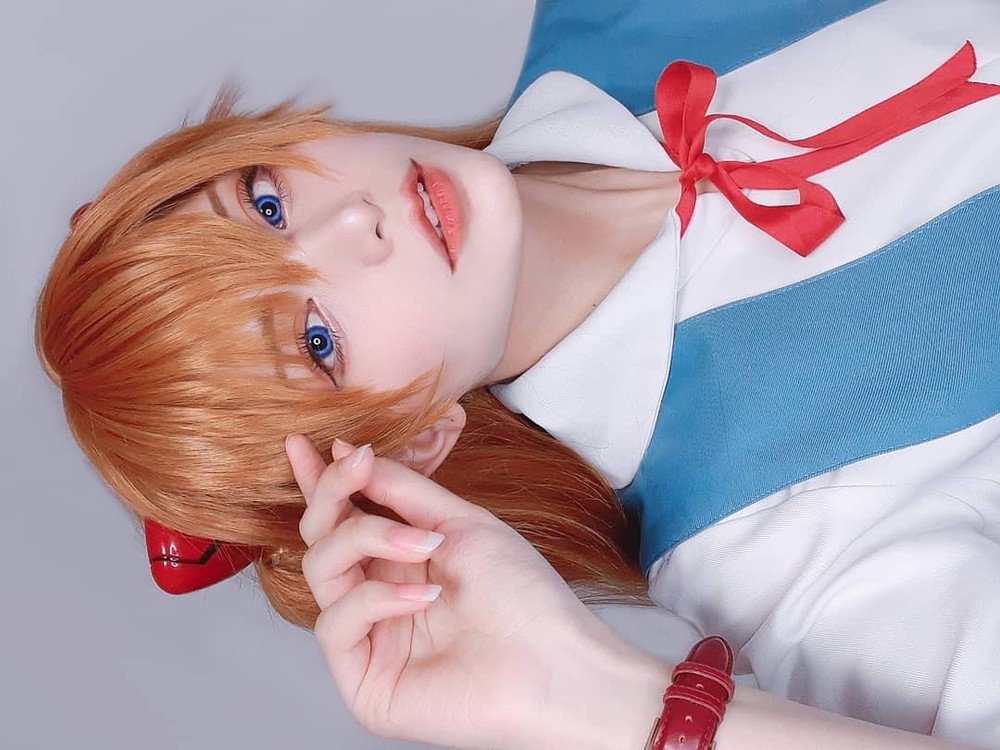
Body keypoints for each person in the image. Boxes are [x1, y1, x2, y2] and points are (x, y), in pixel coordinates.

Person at [34, 0, 1000, 747]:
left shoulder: (608, 18)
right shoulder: (767, 537)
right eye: (317, 342)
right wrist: (600, 702)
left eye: (265, 203)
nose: (353, 223)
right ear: (412, 444)